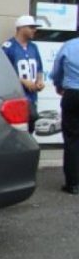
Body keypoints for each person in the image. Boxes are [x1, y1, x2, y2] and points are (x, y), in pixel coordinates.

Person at [1, 15, 45, 133]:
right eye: (31, 27)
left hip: (32, 97)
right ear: (21, 28)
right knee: (19, 130)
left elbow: (39, 68)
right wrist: (23, 81)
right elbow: (4, 71)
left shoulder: (33, 47)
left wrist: (39, 81)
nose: (34, 30)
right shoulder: (8, 47)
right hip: (17, 96)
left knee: (31, 125)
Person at [51, 34, 79, 195]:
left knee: (72, 139)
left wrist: (58, 85)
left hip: (72, 94)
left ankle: (73, 183)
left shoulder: (69, 45)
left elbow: (57, 70)